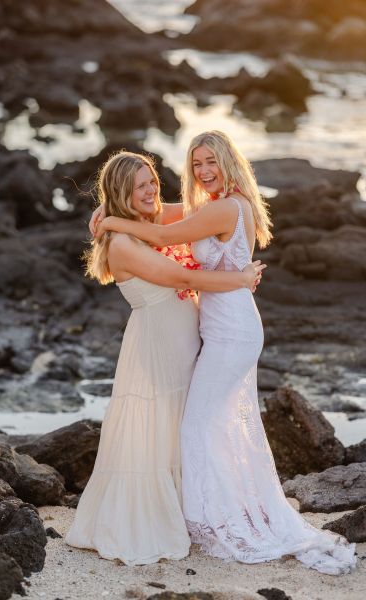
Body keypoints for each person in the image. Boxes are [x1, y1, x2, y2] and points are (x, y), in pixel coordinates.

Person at [94, 131, 356, 575]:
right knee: (212, 425)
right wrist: (107, 210)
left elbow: (161, 232)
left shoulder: (224, 207)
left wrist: (113, 222)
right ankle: (215, 513)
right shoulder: (215, 205)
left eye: (211, 161)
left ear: (230, 162)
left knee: (198, 425)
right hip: (220, 326)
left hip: (231, 328)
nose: (203, 171)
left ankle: (214, 521)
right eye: (196, 163)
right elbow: (159, 216)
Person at [66, 150, 264, 566]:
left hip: (183, 340)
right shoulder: (122, 242)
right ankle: (153, 519)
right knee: (157, 430)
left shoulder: (145, 220)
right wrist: (240, 279)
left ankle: (191, 509)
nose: (152, 189)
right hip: (157, 344)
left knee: (180, 426)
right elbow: (184, 277)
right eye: (141, 185)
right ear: (125, 192)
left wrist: (109, 208)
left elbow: (188, 211)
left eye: (153, 180)